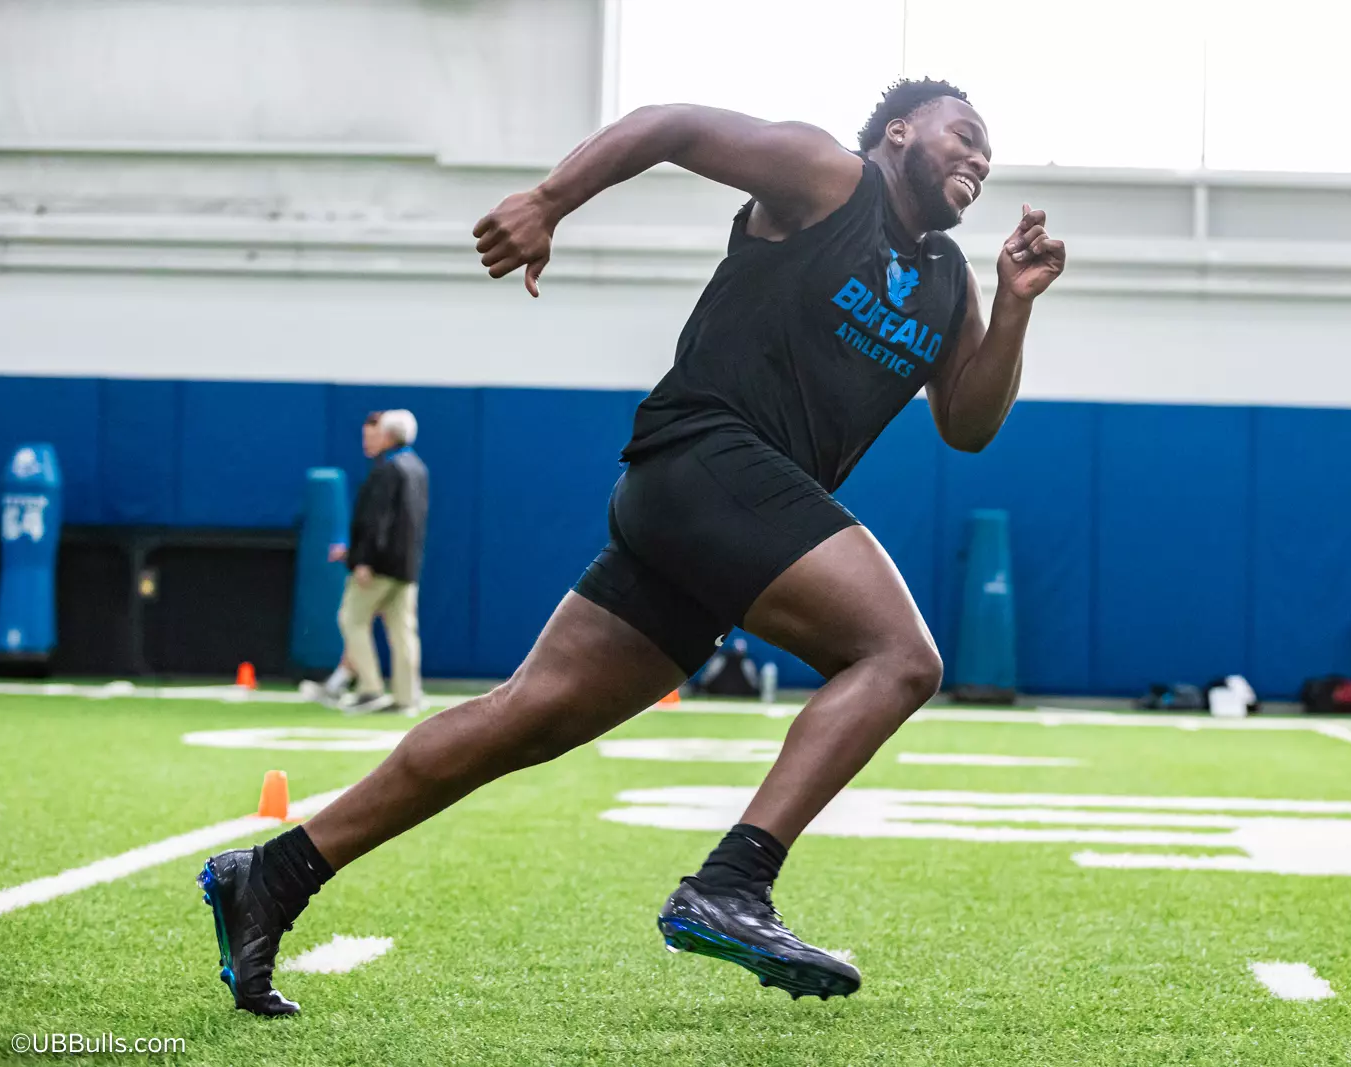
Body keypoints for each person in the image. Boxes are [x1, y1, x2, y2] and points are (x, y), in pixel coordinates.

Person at [197, 78, 1065, 1015]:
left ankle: (275, 876)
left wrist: (1015, 302)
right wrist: (546, 201)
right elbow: (672, 125)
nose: (978, 157)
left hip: (721, 522)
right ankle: (735, 881)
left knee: (522, 717)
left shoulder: (948, 281)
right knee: (900, 656)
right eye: (963, 135)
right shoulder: (827, 177)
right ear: (900, 132)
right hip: (704, 459)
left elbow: (968, 425)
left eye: (989, 151)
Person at [333, 409, 428, 716]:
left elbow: (377, 521)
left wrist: (363, 560)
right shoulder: (417, 468)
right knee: (403, 631)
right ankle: (406, 697)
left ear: (387, 435)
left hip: (382, 565)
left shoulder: (387, 470)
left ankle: (370, 688)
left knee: (352, 618)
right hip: (407, 565)